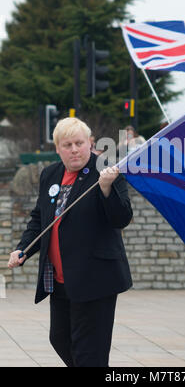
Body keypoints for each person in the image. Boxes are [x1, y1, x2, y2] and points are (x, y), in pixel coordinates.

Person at [7, 117, 133, 367]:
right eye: (67, 145)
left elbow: (121, 218)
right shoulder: (50, 174)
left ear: (91, 143)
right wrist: (23, 249)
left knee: (89, 352)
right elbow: (39, 218)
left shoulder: (106, 170)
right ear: (57, 148)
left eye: (79, 143)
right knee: (60, 339)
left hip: (95, 278)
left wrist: (107, 188)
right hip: (60, 280)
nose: (74, 149)